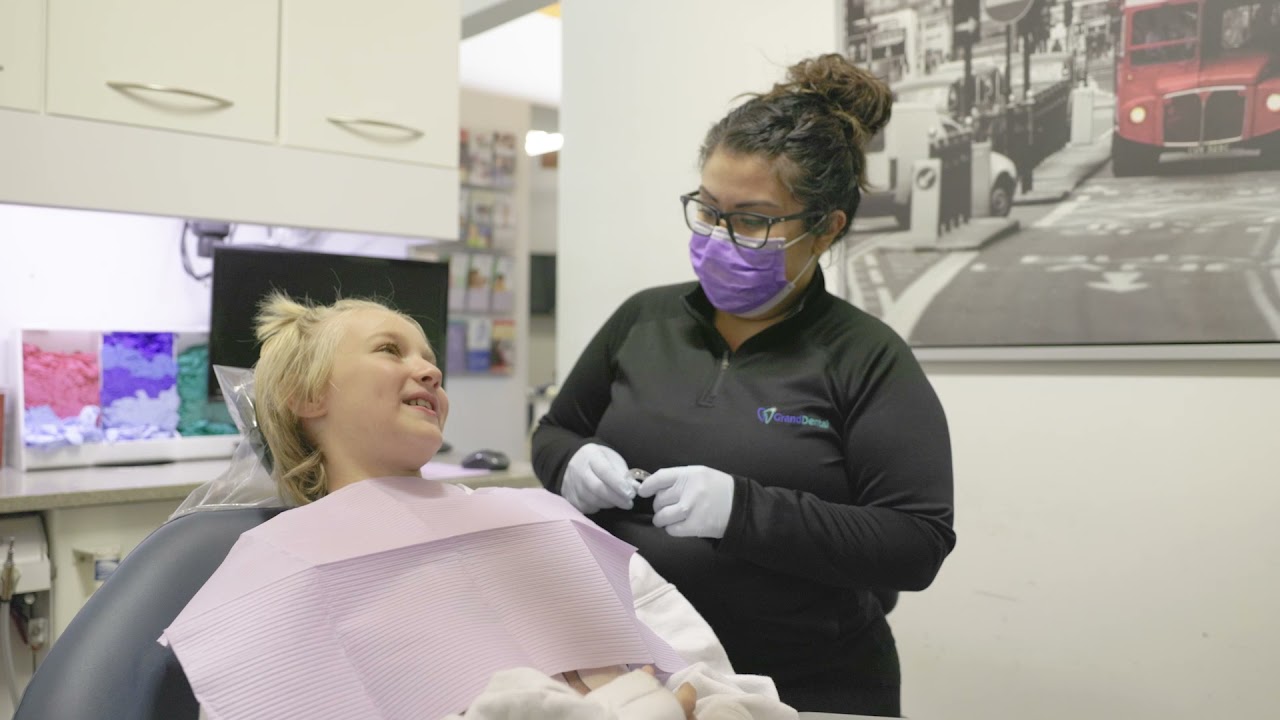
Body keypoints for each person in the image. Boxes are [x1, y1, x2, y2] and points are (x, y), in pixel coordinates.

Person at [531, 54, 956, 717]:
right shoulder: (643, 320)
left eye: (753, 220)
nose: (720, 238)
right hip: (638, 678)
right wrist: (571, 462)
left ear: (825, 230)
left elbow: (916, 544)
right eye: (708, 210)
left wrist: (743, 512)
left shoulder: (866, 358)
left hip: (807, 685)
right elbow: (556, 431)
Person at [175, 292, 796, 720]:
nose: (427, 370)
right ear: (307, 395)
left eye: (430, 358)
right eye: (390, 350)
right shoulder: (284, 565)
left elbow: (703, 673)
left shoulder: (539, 521)